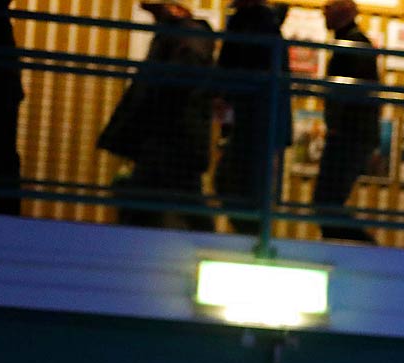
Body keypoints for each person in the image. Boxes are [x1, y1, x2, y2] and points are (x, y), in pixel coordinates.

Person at [97, 3, 217, 229]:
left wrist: (152, 112)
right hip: (174, 138)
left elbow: (177, 82)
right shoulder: (185, 36)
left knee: (153, 200)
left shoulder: (184, 35)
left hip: (170, 138)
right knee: (175, 200)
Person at [213, 0, 287, 235]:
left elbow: (235, 63)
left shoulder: (250, 22)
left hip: (252, 116)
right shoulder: (265, 23)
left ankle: (251, 235)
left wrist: (224, 94)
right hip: (260, 117)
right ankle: (253, 237)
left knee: (233, 182)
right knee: (245, 184)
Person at [311, 0, 381, 242]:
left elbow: (349, 92)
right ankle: (351, 245)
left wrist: (337, 124)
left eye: (328, 8)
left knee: (325, 200)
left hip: (349, 135)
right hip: (352, 134)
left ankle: (361, 245)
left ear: (342, 13)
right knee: (328, 200)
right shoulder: (354, 41)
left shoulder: (352, 43)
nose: (324, 13)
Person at [0, 0, 22, 217]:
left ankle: (7, 220)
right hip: (2, 83)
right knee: (3, 159)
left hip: (1, 84)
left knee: (2, 158)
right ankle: (7, 220)